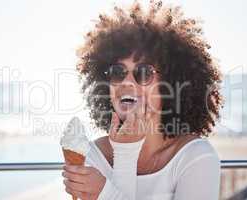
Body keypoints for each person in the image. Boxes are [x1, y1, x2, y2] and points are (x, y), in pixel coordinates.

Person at [62, 1, 223, 199]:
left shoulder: (196, 156)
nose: (127, 82)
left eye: (144, 72)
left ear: (172, 83)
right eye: (117, 72)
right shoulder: (93, 155)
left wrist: (106, 190)